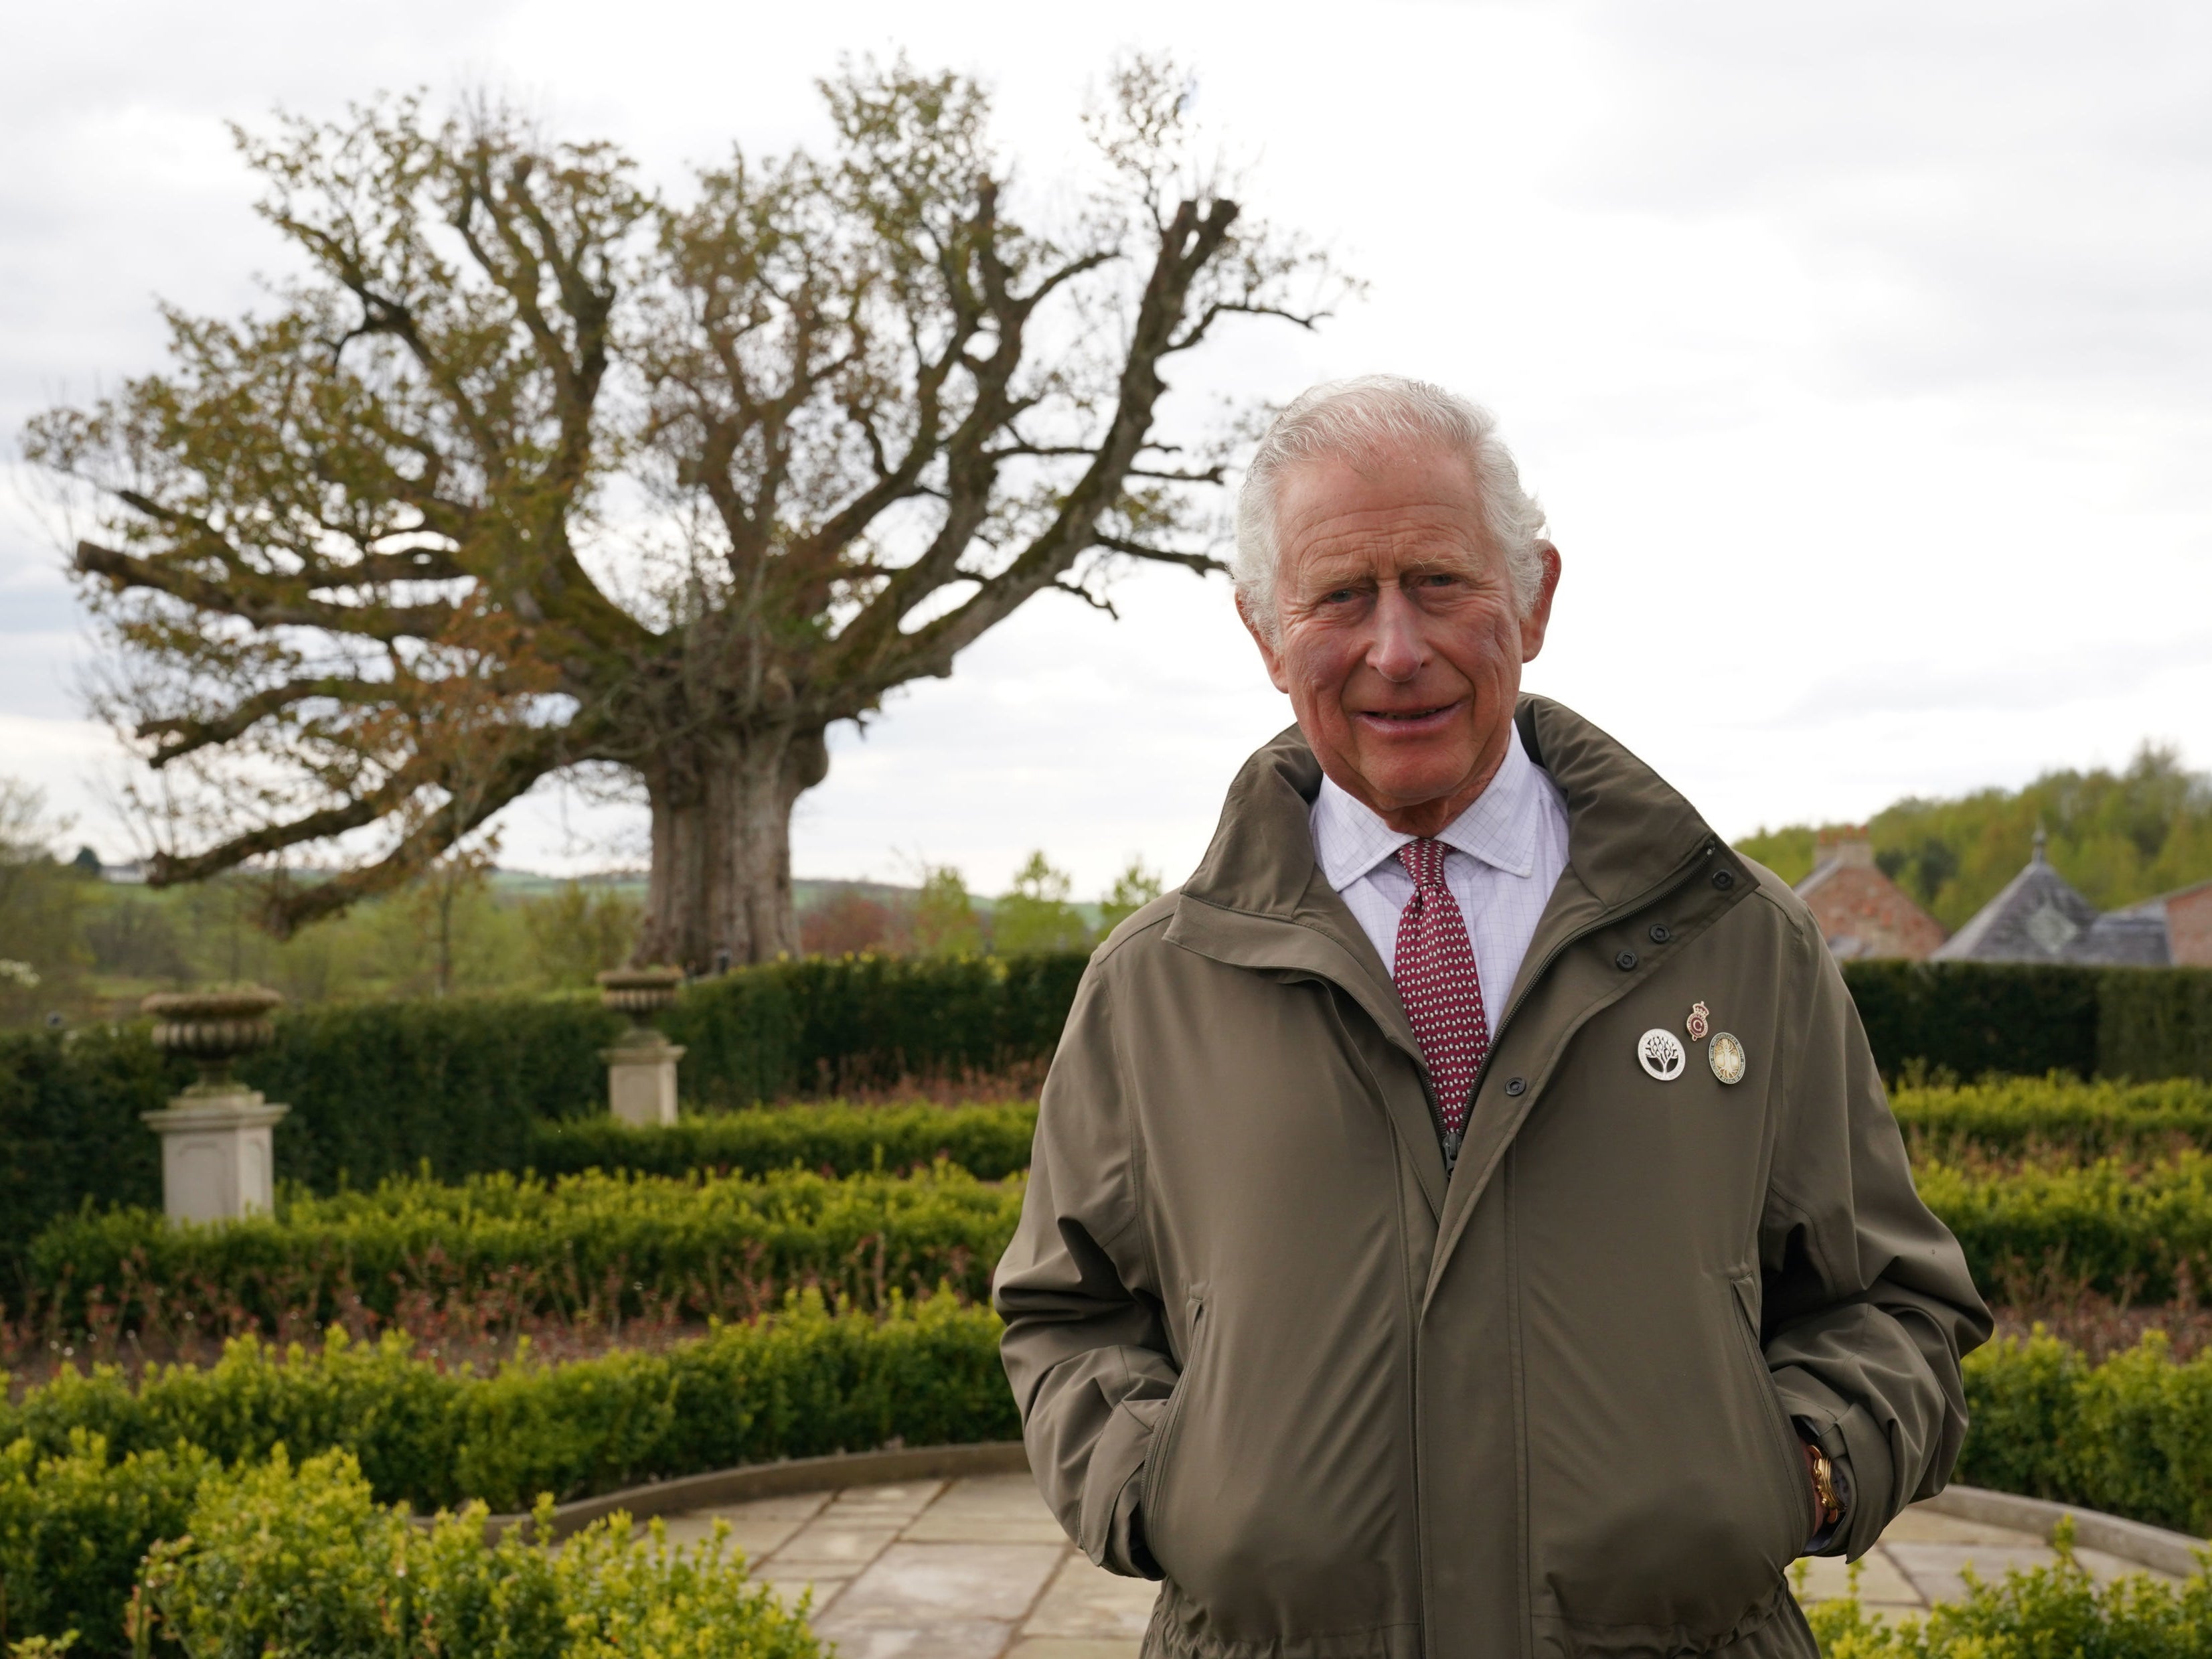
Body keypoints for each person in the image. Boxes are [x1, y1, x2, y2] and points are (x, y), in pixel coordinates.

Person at [994, 376, 1990, 1659]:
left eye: (1441, 582)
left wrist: (1790, 1471)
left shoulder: (1742, 942)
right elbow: (1068, 1316)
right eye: (1340, 596)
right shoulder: (1155, 984)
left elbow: (1893, 1300)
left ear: (1535, 595)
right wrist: (1162, 1489)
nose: (1396, 648)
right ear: (1262, 630)